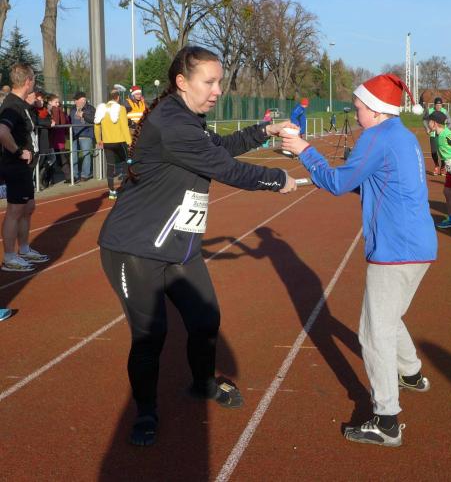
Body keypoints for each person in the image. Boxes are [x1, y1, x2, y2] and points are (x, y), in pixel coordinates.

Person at [97, 46, 298, 447]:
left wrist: (265, 131)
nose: (218, 90)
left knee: (205, 320)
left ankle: (202, 383)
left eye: (219, 81)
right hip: (135, 248)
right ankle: (145, 411)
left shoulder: (188, 119)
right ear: (182, 82)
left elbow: (219, 148)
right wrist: (277, 180)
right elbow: (225, 168)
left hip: (180, 246)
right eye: (210, 82)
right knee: (150, 335)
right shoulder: (172, 123)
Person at [280, 73, 437, 448]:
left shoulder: (377, 138)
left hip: (396, 249)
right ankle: (411, 373)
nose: (355, 112)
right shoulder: (402, 135)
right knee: (389, 316)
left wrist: (303, 150)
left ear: (377, 111)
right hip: (419, 246)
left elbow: (337, 183)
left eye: (359, 107)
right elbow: (376, 182)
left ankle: (386, 420)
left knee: (373, 331)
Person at [0, 63, 50, 273]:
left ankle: (24, 249)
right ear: (28, 81)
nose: (35, 83)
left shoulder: (21, 104)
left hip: (24, 168)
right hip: (15, 166)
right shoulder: (12, 105)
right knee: (15, 210)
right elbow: (2, 132)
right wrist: (19, 152)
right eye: (34, 79)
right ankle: (10, 257)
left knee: (28, 207)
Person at [94, 90, 132, 199]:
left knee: (110, 166)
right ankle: (125, 188)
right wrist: (129, 142)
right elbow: (124, 126)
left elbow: (96, 125)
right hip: (120, 141)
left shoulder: (101, 108)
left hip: (107, 142)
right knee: (126, 163)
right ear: (118, 98)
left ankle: (111, 191)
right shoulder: (121, 108)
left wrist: (98, 140)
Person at [69, 91, 95, 182]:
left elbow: (93, 119)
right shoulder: (72, 109)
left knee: (86, 155)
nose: (83, 101)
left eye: (83, 99)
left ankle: (85, 175)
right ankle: (74, 175)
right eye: (80, 100)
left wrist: (83, 115)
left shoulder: (90, 108)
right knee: (73, 155)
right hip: (74, 135)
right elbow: (70, 120)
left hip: (86, 134)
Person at [423, 96, 451, 175]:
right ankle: (436, 166)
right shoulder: (430, 111)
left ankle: (443, 167)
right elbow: (425, 120)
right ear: (434, 105)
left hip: (442, 134)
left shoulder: (445, 112)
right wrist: (427, 128)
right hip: (433, 134)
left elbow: (450, 123)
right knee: (433, 151)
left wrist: (445, 130)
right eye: (437, 105)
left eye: (440, 105)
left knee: (443, 151)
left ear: (442, 105)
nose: (438, 107)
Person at [46, 94, 71, 184]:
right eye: (55, 102)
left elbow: (57, 122)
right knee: (58, 159)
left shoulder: (57, 110)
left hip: (57, 139)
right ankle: (67, 177)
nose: (57, 104)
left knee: (60, 158)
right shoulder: (53, 110)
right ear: (50, 102)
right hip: (55, 139)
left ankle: (68, 177)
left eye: (58, 102)